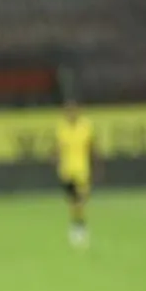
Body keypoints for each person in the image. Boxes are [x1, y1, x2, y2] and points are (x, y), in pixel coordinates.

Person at [54, 99, 98, 247]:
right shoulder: (62, 128)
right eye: (68, 111)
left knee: (81, 199)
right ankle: (77, 226)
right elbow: (58, 147)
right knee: (73, 201)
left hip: (82, 169)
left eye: (73, 111)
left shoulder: (86, 126)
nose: (70, 114)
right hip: (67, 170)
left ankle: (79, 226)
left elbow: (91, 146)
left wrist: (96, 164)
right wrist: (55, 159)